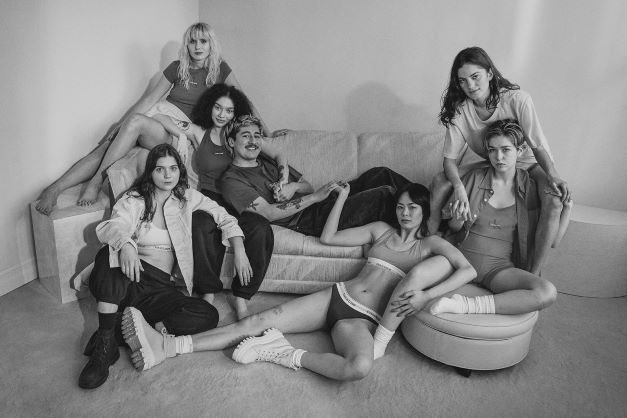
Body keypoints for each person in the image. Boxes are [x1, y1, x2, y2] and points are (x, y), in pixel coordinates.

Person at [119, 182, 476, 381]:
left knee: (358, 367)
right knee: (257, 320)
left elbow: (468, 270)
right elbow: (329, 238)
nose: (405, 213)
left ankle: (285, 353)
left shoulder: (430, 246)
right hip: (336, 297)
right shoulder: (381, 230)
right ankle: (171, 346)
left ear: (424, 211)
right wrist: (341, 198)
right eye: (400, 206)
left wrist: (426, 295)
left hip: (361, 320)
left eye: (412, 208)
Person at [35, 22, 273, 215]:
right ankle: (55, 189)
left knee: (133, 125)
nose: (198, 46)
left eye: (203, 41)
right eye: (192, 41)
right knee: (108, 144)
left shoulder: (220, 69)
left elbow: (244, 100)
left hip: (179, 130)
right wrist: (120, 124)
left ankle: (95, 182)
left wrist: (267, 131)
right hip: (161, 117)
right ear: (187, 45)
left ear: (211, 44)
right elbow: (149, 100)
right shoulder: (177, 67)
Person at [78, 143, 249, 389]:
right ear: (151, 172)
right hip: (130, 278)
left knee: (208, 314)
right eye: (160, 169)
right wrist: (126, 245)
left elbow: (225, 217)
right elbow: (114, 225)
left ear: (180, 170)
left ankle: (125, 330)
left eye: (173, 168)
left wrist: (240, 250)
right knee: (108, 253)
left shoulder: (188, 198)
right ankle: (104, 348)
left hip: (159, 288)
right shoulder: (134, 199)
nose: (168, 175)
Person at [429, 46, 572, 275]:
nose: (470, 85)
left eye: (475, 77)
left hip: (529, 162)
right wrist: (459, 188)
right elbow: (450, 161)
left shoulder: (518, 100)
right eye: (462, 81)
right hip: (494, 161)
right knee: (440, 181)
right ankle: (429, 237)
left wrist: (553, 175)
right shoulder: (460, 111)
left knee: (554, 202)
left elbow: (537, 146)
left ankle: (533, 273)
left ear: (489, 73)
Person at [156, 84, 290, 319]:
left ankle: (242, 296)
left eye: (229, 110)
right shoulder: (200, 133)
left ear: (236, 112)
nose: (222, 114)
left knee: (260, 228)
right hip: (211, 198)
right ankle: (207, 292)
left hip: (241, 196)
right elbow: (160, 116)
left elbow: (278, 153)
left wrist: (284, 179)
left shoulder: (241, 134)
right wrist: (180, 134)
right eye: (218, 108)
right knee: (200, 224)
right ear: (210, 107)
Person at [429, 119, 558, 317]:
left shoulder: (530, 189)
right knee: (415, 270)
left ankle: (466, 306)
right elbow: (454, 229)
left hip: (499, 270)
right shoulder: (474, 178)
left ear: (520, 150)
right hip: (459, 261)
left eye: (505, 150)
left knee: (547, 292)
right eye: (492, 150)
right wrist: (458, 219)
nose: (498, 157)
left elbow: (550, 238)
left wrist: (566, 207)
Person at [219, 115, 412, 239]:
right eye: (246, 136)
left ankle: (425, 208)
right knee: (383, 196)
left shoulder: (267, 161)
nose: (253, 141)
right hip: (306, 220)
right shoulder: (231, 180)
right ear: (231, 142)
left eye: (256, 136)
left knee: (381, 174)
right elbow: (267, 213)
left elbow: (307, 186)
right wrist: (314, 198)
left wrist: (293, 187)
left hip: (321, 203)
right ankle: (418, 230)